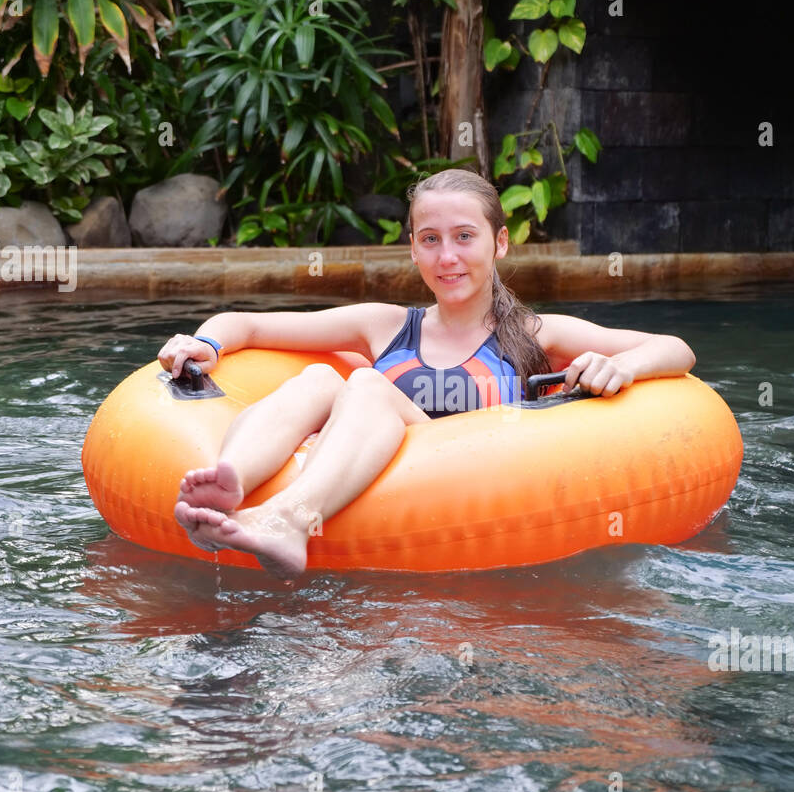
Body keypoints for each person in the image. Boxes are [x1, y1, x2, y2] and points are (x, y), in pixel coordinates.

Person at [157, 168, 695, 578]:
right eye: (430, 239)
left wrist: (618, 365)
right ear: (413, 248)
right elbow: (245, 325)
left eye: (465, 236)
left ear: (499, 243)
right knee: (322, 380)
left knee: (365, 384)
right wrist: (203, 343)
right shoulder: (383, 325)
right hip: (362, 481)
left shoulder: (534, 333)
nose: (447, 257)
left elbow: (676, 348)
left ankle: (290, 519)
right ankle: (233, 484)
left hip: (460, 494)